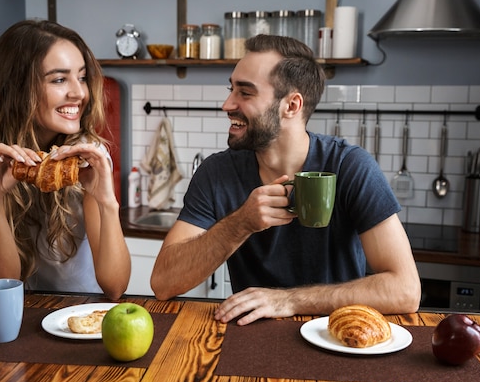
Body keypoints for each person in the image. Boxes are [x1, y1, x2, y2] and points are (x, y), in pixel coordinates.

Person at [150, 34, 421, 325]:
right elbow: (163, 283)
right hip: (248, 341)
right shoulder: (216, 172)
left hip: (337, 336)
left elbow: (405, 290)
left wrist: (288, 300)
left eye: (245, 92)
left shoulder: (352, 166)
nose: (227, 104)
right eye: (231, 89)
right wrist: (240, 224)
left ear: (291, 106)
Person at [0, 20, 130, 299]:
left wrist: (106, 201)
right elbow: (2, 282)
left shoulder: (87, 157)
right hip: (22, 314)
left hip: (83, 309)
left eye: (81, 77)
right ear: (17, 88)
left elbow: (115, 287)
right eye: (59, 79)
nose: (79, 93)